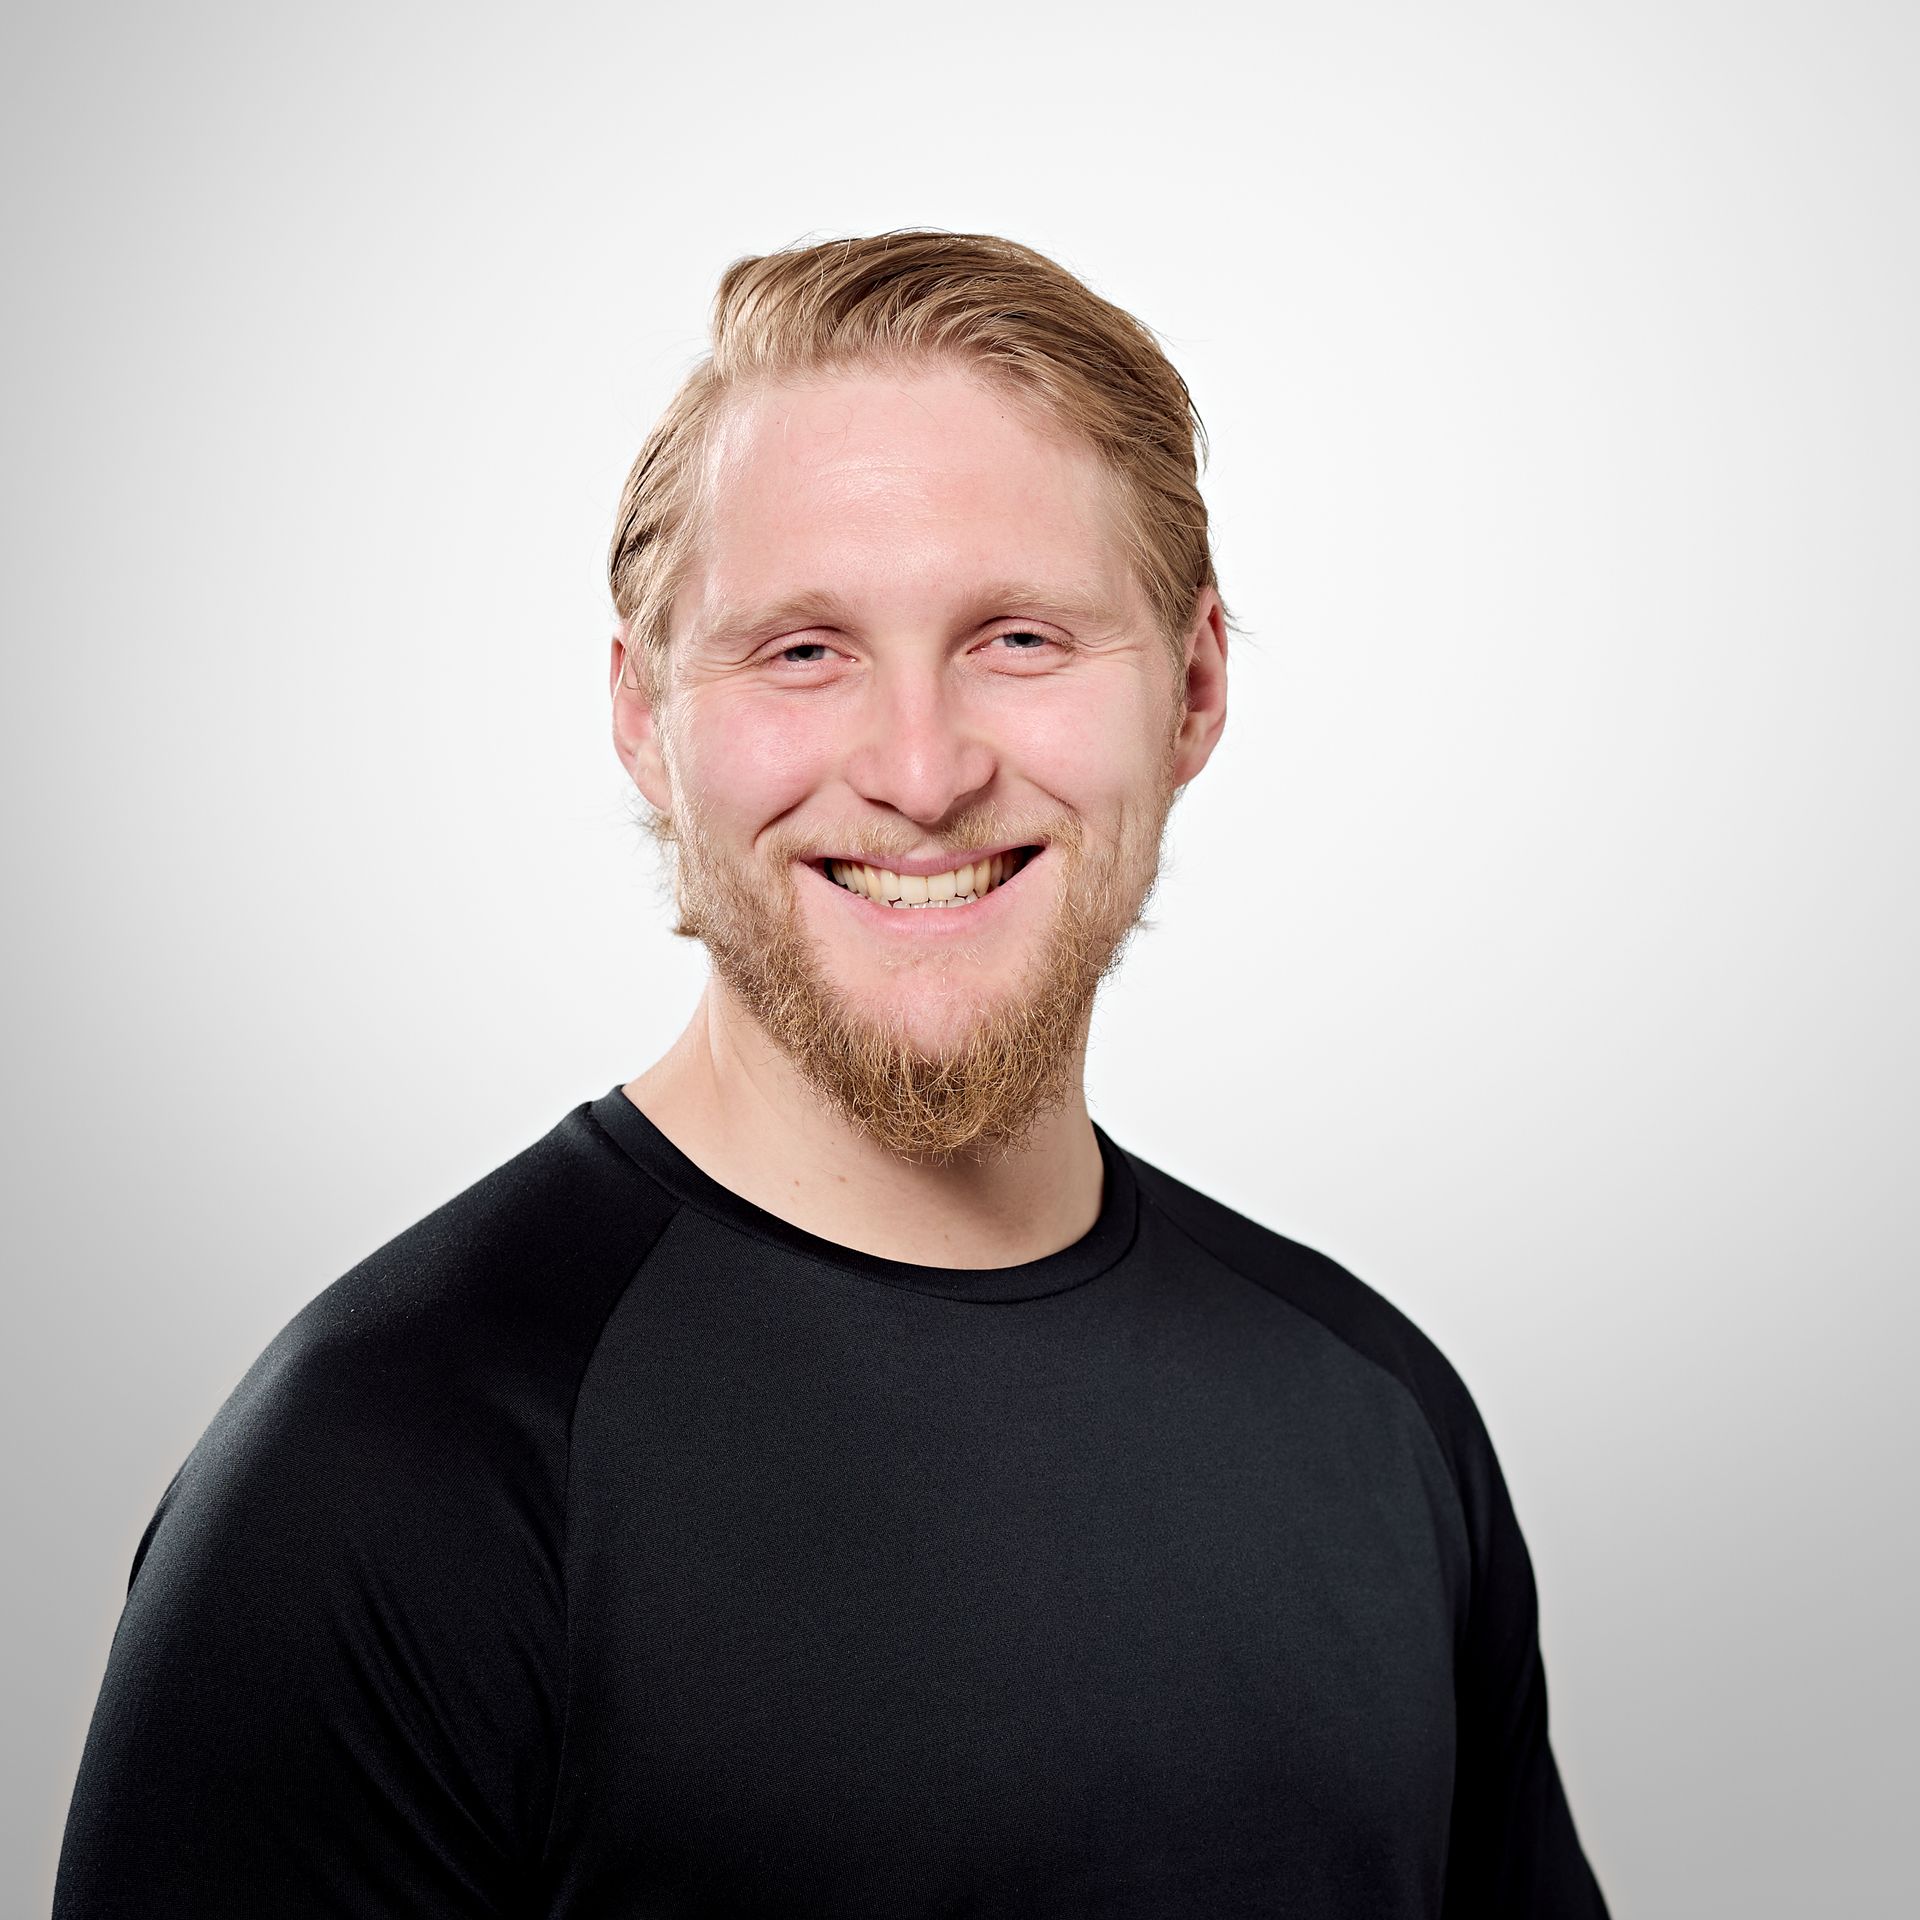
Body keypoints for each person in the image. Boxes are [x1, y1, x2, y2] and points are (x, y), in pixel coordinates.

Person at [54, 231, 1609, 1917]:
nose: (922, 773)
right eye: (803, 650)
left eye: (1020, 638)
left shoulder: (1377, 1419)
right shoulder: (389, 1476)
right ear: (646, 717)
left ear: (1197, 689)